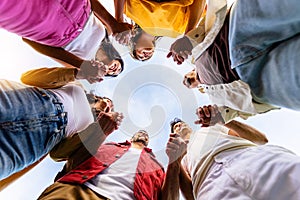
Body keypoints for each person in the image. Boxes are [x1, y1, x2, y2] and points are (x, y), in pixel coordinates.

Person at [168, 0, 300, 114]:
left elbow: (205, 25)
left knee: (282, 6)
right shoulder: (214, 100)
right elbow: (239, 112)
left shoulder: (195, 57)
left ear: (190, 71)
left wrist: (188, 40)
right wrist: (218, 118)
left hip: (233, 31)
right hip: (255, 83)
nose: (188, 80)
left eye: (186, 77)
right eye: (188, 84)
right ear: (196, 88)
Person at [167, 106, 300, 199]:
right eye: (175, 127)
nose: (178, 125)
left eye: (180, 123)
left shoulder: (212, 128)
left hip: (250, 157)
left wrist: (223, 120)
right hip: (210, 187)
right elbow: (191, 196)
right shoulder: (180, 157)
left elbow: (260, 139)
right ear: (175, 134)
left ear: (189, 125)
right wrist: (175, 161)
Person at [0, 0, 131, 82]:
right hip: (77, 6)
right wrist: (113, 23)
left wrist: (82, 65)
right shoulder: (107, 34)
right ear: (118, 57)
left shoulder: (79, 65)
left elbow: (33, 43)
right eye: (119, 67)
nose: (115, 70)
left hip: (46, 26)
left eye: (113, 74)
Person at [37, 130, 173, 199]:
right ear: (132, 137)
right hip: (74, 191)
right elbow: (73, 160)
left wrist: (175, 162)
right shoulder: (108, 145)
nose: (143, 134)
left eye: (146, 135)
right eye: (140, 133)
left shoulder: (157, 167)